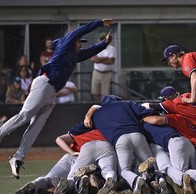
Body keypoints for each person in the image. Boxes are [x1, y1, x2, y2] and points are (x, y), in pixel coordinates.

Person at [0, 18, 113, 179]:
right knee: (25, 115)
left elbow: (89, 52)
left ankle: (18, 157)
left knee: (36, 126)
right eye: (79, 41)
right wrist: (99, 23)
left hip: (51, 92)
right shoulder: (66, 45)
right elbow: (79, 31)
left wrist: (104, 44)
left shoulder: (74, 54)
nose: (81, 43)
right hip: (44, 83)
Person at [83, 95, 156, 194]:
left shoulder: (97, 115)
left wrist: (88, 115)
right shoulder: (126, 103)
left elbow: (89, 122)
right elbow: (147, 112)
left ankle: (136, 180)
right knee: (151, 165)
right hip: (138, 135)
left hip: (120, 140)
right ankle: (159, 182)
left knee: (124, 171)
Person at [90, 32, 116, 102]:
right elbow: (93, 59)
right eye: (101, 39)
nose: (103, 40)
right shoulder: (96, 47)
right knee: (95, 91)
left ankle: (104, 107)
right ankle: (97, 106)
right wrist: (105, 58)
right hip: (97, 72)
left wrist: (98, 59)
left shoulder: (111, 48)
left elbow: (111, 61)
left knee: (105, 93)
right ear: (99, 39)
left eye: (104, 39)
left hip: (107, 73)